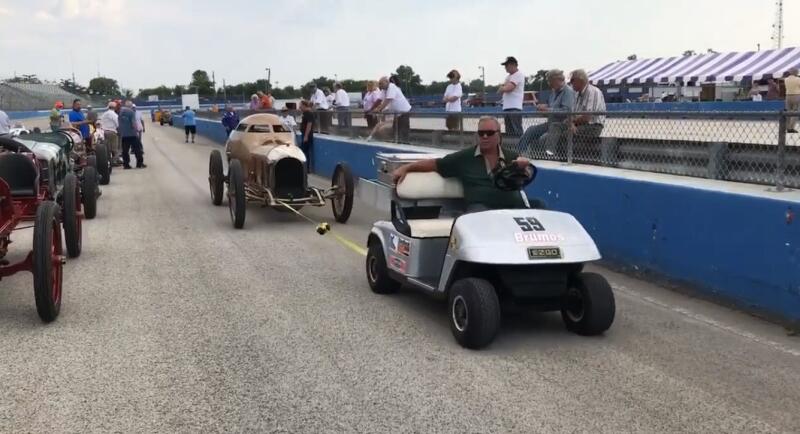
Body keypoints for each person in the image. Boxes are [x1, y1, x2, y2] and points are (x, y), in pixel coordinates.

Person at [391, 116, 536, 211]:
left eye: (490, 133)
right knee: (478, 214)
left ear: (499, 135)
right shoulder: (464, 157)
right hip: (481, 207)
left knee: (540, 205)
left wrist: (525, 170)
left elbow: (525, 176)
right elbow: (436, 164)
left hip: (511, 206)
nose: (485, 137)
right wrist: (406, 167)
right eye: (481, 133)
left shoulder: (512, 157)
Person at [518, 69, 576, 156]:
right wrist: (543, 108)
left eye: (550, 81)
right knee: (530, 130)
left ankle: (549, 157)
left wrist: (548, 109)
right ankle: (521, 154)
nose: (549, 84)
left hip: (562, 125)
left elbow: (567, 111)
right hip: (550, 123)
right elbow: (550, 107)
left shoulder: (568, 92)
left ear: (557, 79)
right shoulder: (553, 92)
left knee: (543, 138)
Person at [569, 69, 606, 143]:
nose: (571, 83)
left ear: (580, 80)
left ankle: (553, 153)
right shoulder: (577, 94)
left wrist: (572, 122)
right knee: (555, 128)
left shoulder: (593, 92)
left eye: (572, 80)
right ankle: (550, 152)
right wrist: (571, 123)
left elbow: (587, 117)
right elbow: (571, 115)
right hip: (578, 125)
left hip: (592, 126)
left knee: (564, 135)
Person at [373, 75, 412, 143]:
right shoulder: (384, 90)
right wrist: (374, 108)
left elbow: (388, 99)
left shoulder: (392, 87)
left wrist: (379, 109)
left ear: (386, 82)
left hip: (404, 111)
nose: (380, 85)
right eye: (379, 84)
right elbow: (379, 100)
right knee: (395, 129)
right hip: (397, 113)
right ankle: (396, 142)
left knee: (403, 129)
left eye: (381, 83)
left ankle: (406, 143)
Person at [499, 56, 525, 136]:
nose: (505, 68)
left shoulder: (518, 74)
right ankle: (511, 147)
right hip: (507, 107)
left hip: (514, 107)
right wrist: (503, 88)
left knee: (516, 130)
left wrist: (503, 88)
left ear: (513, 65)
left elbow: (508, 88)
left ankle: (520, 147)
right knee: (509, 131)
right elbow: (500, 91)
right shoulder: (508, 77)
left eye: (507, 65)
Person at [118, 101, 146, 169]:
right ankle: (139, 163)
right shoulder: (131, 112)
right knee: (137, 149)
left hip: (124, 134)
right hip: (132, 134)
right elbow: (133, 123)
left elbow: (119, 122)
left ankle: (126, 164)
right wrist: (135, 130)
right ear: (130, 106)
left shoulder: (121, 112)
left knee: (125, 150)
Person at [299, 100, 315, 172]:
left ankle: (307, 168)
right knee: (304, 151)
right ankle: (305, 167)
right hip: (304, 134)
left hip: (307, 135)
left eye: (300, 105)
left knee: (305, 151)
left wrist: (306, 136)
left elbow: (309, 125)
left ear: (304, 105)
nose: (299, 106)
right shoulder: (305, 113)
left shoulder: (309, 113)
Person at [785, 68, 800, 134]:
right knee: (795, 112)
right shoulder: (798, 79)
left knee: (788, 112)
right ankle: (791, 127)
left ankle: (787, 127)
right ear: (795, 72)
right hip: (796, 95)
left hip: (788, 96)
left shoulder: (786, 79)